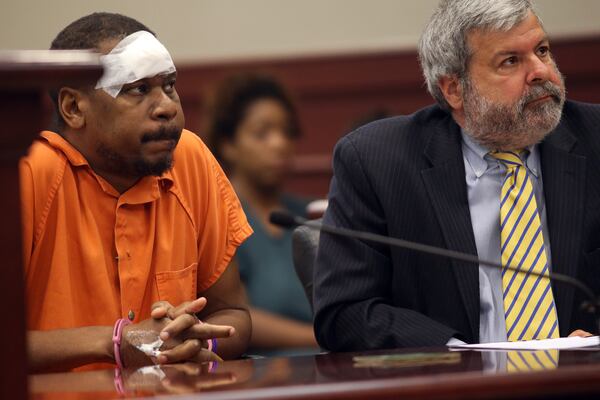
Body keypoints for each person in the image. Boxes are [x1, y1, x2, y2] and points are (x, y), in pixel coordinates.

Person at [313, 0, 599, 351]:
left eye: (542, 50)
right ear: (454, 90)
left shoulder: (594, 139)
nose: (540, 71)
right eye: (510, 61)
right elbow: (345, 312)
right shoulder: (377, 162)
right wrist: (460, 356)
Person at [21, 12, 253, 372]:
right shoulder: (30, 172)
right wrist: (115, 342)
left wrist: (195, 340)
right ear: (73, 108)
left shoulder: (189, 159)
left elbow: (233, 314)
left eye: (170, 85)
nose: (167, 107)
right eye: (138, 89)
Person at [206, 73, 318, 354]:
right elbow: (234, 315)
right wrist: (322, 337)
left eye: (287, 132)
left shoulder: (309, 212)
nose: (279, 144)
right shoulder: (217, 214)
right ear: (228, 144)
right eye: (262, 133)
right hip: (262, 376)